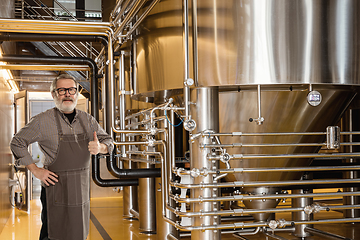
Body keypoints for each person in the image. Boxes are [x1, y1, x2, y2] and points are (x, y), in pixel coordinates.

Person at [10, 74, 114, 240]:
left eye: (71, 90)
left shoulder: (88, 120)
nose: (67, 94)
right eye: (62, 90)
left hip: (81, 190)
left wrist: (101, 147)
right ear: (53, 94)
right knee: (52, 233)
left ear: (76, 93)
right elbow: (17, 142)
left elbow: (108, 141)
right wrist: (36, 170)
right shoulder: (42, 121)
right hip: (55, 189)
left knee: (78, 233)